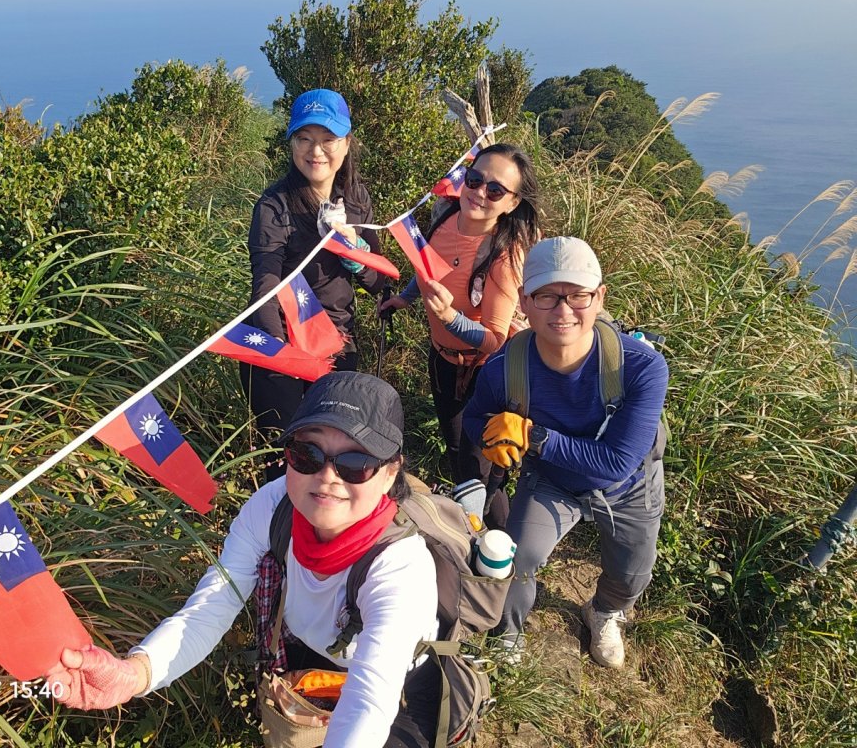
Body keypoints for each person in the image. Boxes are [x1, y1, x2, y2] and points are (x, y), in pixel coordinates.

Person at [47, 371, 442, 748]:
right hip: (308, 652)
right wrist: (135, 674)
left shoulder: (402, 567)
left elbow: (371, 697)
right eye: (307, 454)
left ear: (391, 474)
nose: (327, 477)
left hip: (397, 684)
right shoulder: (273, 506)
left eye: (355, 464)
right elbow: (215, 602)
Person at [463, 236, 668, 668]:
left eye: (578, 296)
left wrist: (533, 438)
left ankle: (605, 610)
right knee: (517, 555)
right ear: (524, 301)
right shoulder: (505, 368)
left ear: (599, 298)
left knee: (634, 572)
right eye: (547, 296)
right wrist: (491, 438)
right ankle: (509, 632)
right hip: (553, 480)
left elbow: (615, 462)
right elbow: (473, 419)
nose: (563, 311)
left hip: (629, 484)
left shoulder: (641, 367)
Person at [379, 143, 542, 528]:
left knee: (480, 466)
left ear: (513, 202)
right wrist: (405, 299)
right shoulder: (446, 219)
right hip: (444, 361)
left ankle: (496, 546)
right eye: (475, 179)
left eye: (496, 190)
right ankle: (472, 526)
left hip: (485, 374)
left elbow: (494, 340)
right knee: (457, 451)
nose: (480, 192)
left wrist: (449, 316)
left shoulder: (504, 254)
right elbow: (428, 269)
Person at [243, 89, 387, 481]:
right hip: (280, 341)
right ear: (291, 142)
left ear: (346, 143)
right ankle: (278, 536)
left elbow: (377, 280)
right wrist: (283, 355)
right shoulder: (275, 205)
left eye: (328, 139)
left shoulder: (356, 199)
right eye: (304, 138)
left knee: (335, 453)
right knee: (288, 458)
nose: (316, 150)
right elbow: (266, 282)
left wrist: (355, 256)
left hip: (337, 339)